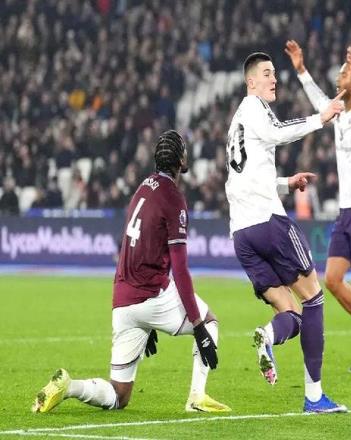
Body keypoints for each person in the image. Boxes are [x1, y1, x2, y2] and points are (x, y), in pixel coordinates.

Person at [32, 130, 231, 413]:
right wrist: (198, 326)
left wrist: (147, 325)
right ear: (181, 160)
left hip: (123, 300)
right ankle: (197, 397)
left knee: (119, 395)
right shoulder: (174, 198)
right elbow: (180, 269)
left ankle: (70, 386)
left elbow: (130, 244)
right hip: (152, 295)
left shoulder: (143, 187)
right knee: (210, 321)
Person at [225, 51, 347, 413]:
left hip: (241, 234)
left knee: (291, 313)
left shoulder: (236, 122)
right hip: (268, 223)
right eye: (267, 74)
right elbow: (278, 133)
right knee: (314, 298)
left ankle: (267, 335)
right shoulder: (255, 108)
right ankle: (314, 397)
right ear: (251, 82)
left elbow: (245, 176)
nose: (274, 79)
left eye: (274, 73)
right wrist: (321, 117)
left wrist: (284, 182)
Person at [285, 40, 351, 373]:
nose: (338, 77)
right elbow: (319, 102)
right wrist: (301, 70)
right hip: (346, 211)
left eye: (344, 73)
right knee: (331, 279)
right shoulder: (340, 112)